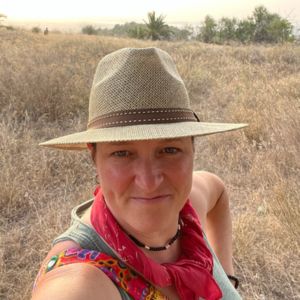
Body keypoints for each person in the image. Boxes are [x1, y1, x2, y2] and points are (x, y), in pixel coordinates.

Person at [32, 47, 246, 300]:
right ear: (94, 156)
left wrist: (227, 279)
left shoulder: (187, 213)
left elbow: (217, 190)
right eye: (122, 153)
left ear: (192, 148)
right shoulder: (80, 284)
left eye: (169, 149)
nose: (148, 181)